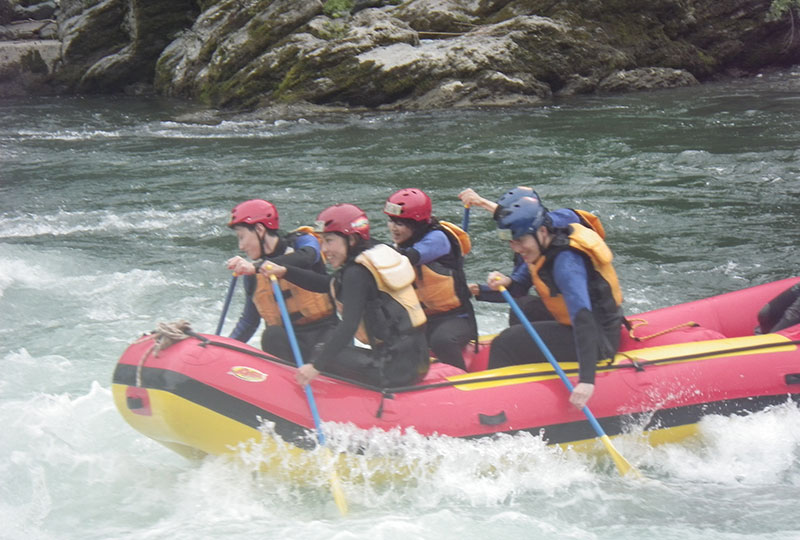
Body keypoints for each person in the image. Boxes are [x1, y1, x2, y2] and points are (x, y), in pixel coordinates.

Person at [261, 203, 430, 388]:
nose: (324, 249)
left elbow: (348, 326)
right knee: (327, 351)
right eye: (322, 241)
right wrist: (285, 271)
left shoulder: (356, 272)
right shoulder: (376, 252)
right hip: (417, 360)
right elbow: (328, 284)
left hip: (393, 369)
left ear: (351, 239)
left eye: (329, 240)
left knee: (321, 351)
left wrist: (315, 367)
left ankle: (299, 389)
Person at [485, 195, 624, 409]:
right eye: (512, 242)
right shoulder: (544, 243)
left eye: (520, 241)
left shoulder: (566, 263)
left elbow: (583, 318)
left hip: (598, 338)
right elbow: (520, 285)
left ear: (541, 232)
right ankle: (529, 375)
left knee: (506, 343)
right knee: (522, 308)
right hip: (581, 323)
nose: (516, 248)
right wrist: (501, 283)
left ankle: (496, 406)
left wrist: (586, 381)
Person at [225, 199, 337, 361]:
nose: (241, 246)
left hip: (326, 331)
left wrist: (260, 266)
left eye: (242, 237)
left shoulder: (302, 242)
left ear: (259, 229)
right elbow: (249, 322)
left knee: (322, 351)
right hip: (291, 343)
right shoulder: (252, 273)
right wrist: (224, 346)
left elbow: (309, 257)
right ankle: (288, 379)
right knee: (271, 335)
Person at [384, 188, 476, 370]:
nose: (393, 228)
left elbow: (411, 256)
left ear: (416, 224)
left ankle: (461, 380)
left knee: (442, 341)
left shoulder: (438, 239)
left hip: (457, 318)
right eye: (391, 221)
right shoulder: (402, 243)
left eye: (400, 223)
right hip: (423, 320)